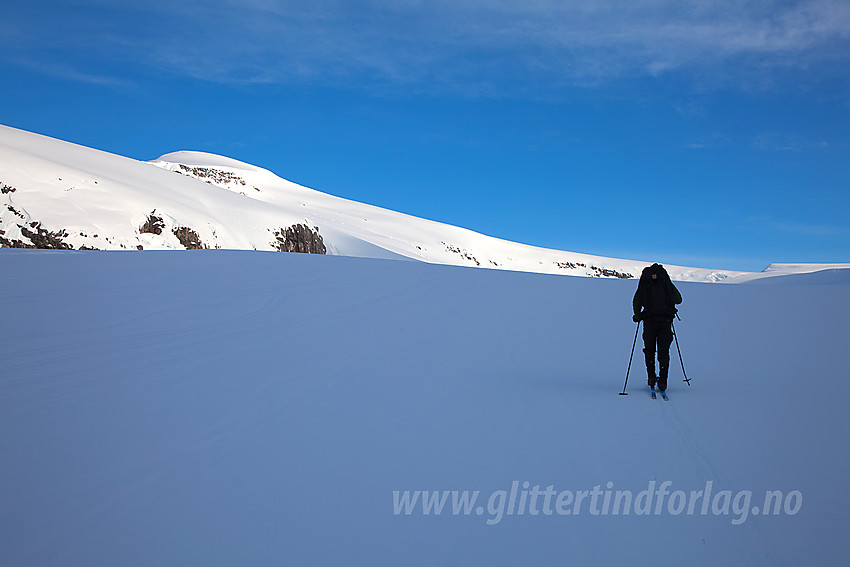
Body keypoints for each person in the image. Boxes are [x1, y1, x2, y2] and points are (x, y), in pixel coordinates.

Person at [632, 263, 682, 392]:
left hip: (649, 321)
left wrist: (637, 315)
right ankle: (663, 381)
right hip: (665, 321)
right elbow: (678, 299)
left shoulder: (645, 283)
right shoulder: (665, 282)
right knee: (663, 351)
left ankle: (651, 377)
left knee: (649, 350)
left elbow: (637, 300)